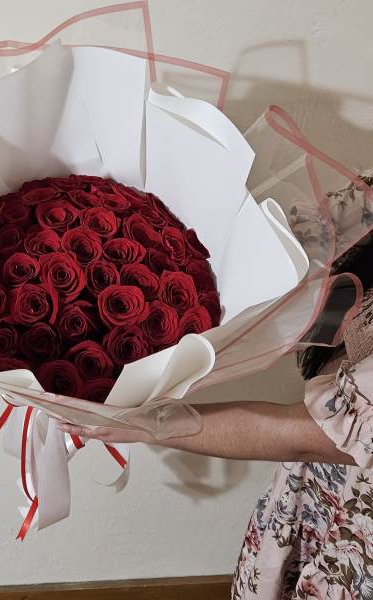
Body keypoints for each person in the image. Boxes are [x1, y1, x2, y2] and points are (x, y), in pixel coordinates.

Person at [59, 197, 373, 599]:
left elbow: (303, 435)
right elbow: (282, 241)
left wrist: (152, 423)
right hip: (311, 490)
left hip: (356, 524)